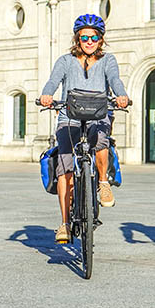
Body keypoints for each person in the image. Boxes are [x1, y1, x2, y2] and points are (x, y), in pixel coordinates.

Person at [40, 14, 129, 244]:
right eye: (84, 37)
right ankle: (64, 224)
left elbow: (115, 80)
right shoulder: (65, 61)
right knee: (65, 167)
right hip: (68, 117)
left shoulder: (108, 60)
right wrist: (46, 95)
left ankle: (103, 183)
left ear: (101, 40)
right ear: (77, 39)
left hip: (97, 115)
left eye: (94, 37)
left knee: (101, 140)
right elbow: (53, 81)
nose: (89, 41)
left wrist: (121, 95)